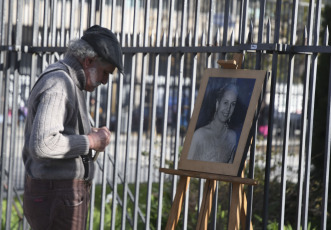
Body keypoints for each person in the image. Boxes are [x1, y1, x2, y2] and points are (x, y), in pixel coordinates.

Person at [22, 25, 123, 230]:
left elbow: (59, 136)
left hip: (58, 196)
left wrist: (86, 137)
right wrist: (91, 141)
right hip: (56, 197)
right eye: (105, 72)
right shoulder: (59, 84)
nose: (105, 81)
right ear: (88, 61)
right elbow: (43, 144)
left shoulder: (69, 82)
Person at [187, 83, 238, 163]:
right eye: (225, 103)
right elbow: (186, 166)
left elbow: (229, 172)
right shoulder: (199, 135)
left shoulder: (232, 137)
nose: (228, 109)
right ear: (217, 104)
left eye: (233, 104)